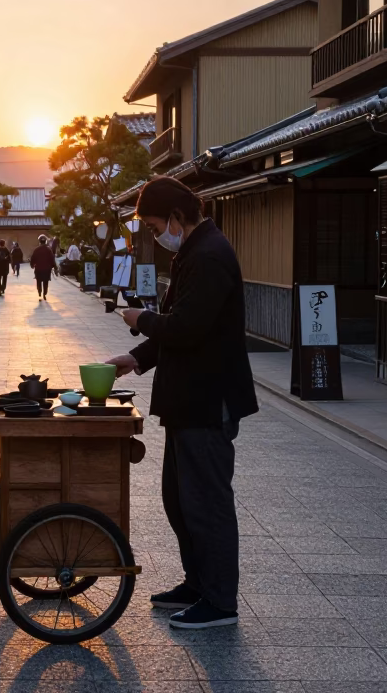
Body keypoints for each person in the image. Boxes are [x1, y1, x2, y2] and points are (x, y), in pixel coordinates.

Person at [103, 176, 258, 630]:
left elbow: (185, 328)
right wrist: (135, 358)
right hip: (188, 398)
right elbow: (178, 327)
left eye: (154, 226)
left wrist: (141, 319)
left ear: (176, 216)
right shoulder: (194, 252)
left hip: (208, 399)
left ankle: (220, 602)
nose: (156, 235)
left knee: (206, 501)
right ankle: (198, 583)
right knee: (180, 498)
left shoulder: (209, 256)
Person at [30, 234, 55, 300]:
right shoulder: (48, 250)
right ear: (45, 241)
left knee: (38, 281)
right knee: (45, 282)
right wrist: (53, 266)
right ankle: (45, 293)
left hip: (38, 269)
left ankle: (39, 291)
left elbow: (33, 258)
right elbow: (52, 259)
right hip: (47, 269)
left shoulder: (36, 250)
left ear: (39, 241)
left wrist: (32, 265)